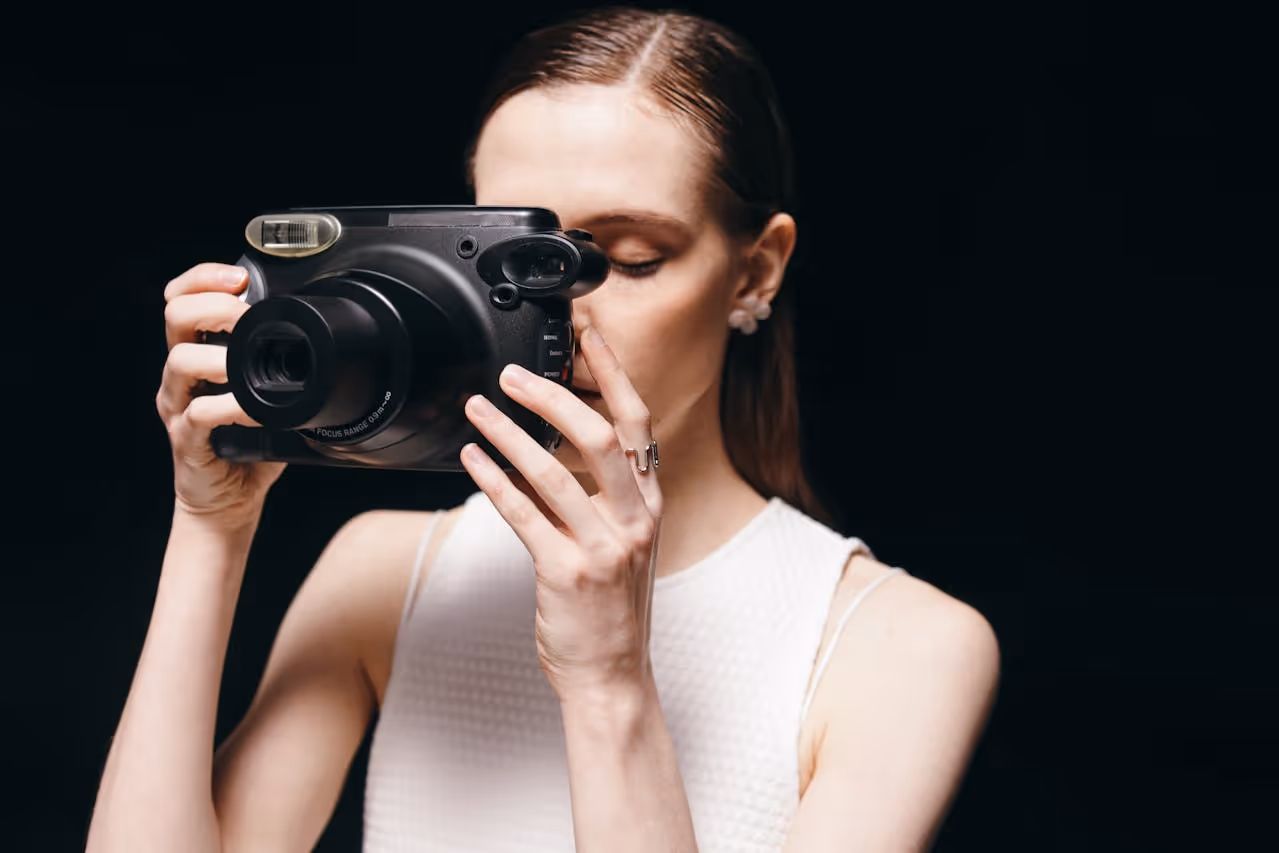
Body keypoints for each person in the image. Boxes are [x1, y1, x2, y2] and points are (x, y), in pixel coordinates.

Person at [88, 7, 1000, 852]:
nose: (561, 318)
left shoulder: (899, 645)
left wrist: (609, 681)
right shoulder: (386, 573)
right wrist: (208, 527)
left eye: (627, 260)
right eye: (511, 259)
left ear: (755, 272)